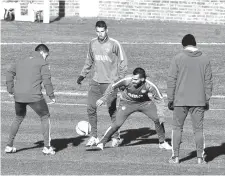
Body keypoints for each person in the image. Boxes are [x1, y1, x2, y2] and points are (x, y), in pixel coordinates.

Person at [77, 20, 128, 147]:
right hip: (95, 81)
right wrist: (82, 75)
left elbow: (123, 62)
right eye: (98, 31)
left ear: (107, 30)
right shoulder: (92, 43)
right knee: (90, 108)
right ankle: (94, 136)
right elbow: (89, 60)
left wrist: (120, 80)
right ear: (96, 31)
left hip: (110, 83)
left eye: (102, 31)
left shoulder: (114, 44)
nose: (100, 34)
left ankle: (116, 137)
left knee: (111, 110)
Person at [95, 67, 172, 151]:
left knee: (158, 119)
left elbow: (159, 99)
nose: (133, 81)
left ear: (142, 79)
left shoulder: (150, 85)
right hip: (127, 103)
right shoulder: (127, 80)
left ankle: (162, 143)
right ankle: (102, 142)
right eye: (133, 78)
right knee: (117, 123)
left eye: (136, 79)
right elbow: (112, 86)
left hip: (145, 103)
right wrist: (103, 98)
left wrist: (161, 114)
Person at [167, 34, 213, 164]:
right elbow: (208, 81)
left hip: (180, 100)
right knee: (198, 129)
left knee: (177, 128)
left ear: (184, 45)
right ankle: (200, 158)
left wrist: (170, 98)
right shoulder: (205, 59)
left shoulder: (177, 58)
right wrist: (206, 99)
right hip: (199, 100)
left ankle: (175, 157)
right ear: (195, 44)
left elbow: (171, 80)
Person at [5, 44, 56, 155]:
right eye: (46, 56)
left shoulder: (21, 61)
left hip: (18, 95)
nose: (46, 58)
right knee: (45, 116)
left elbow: (9, 72)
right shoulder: (43, 63)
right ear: (42, 52)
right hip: (34, 96)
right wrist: (51, 95)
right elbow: (47, 80)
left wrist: (10, 89)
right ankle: (47, 147)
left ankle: (9, 145)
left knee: (18, 117)